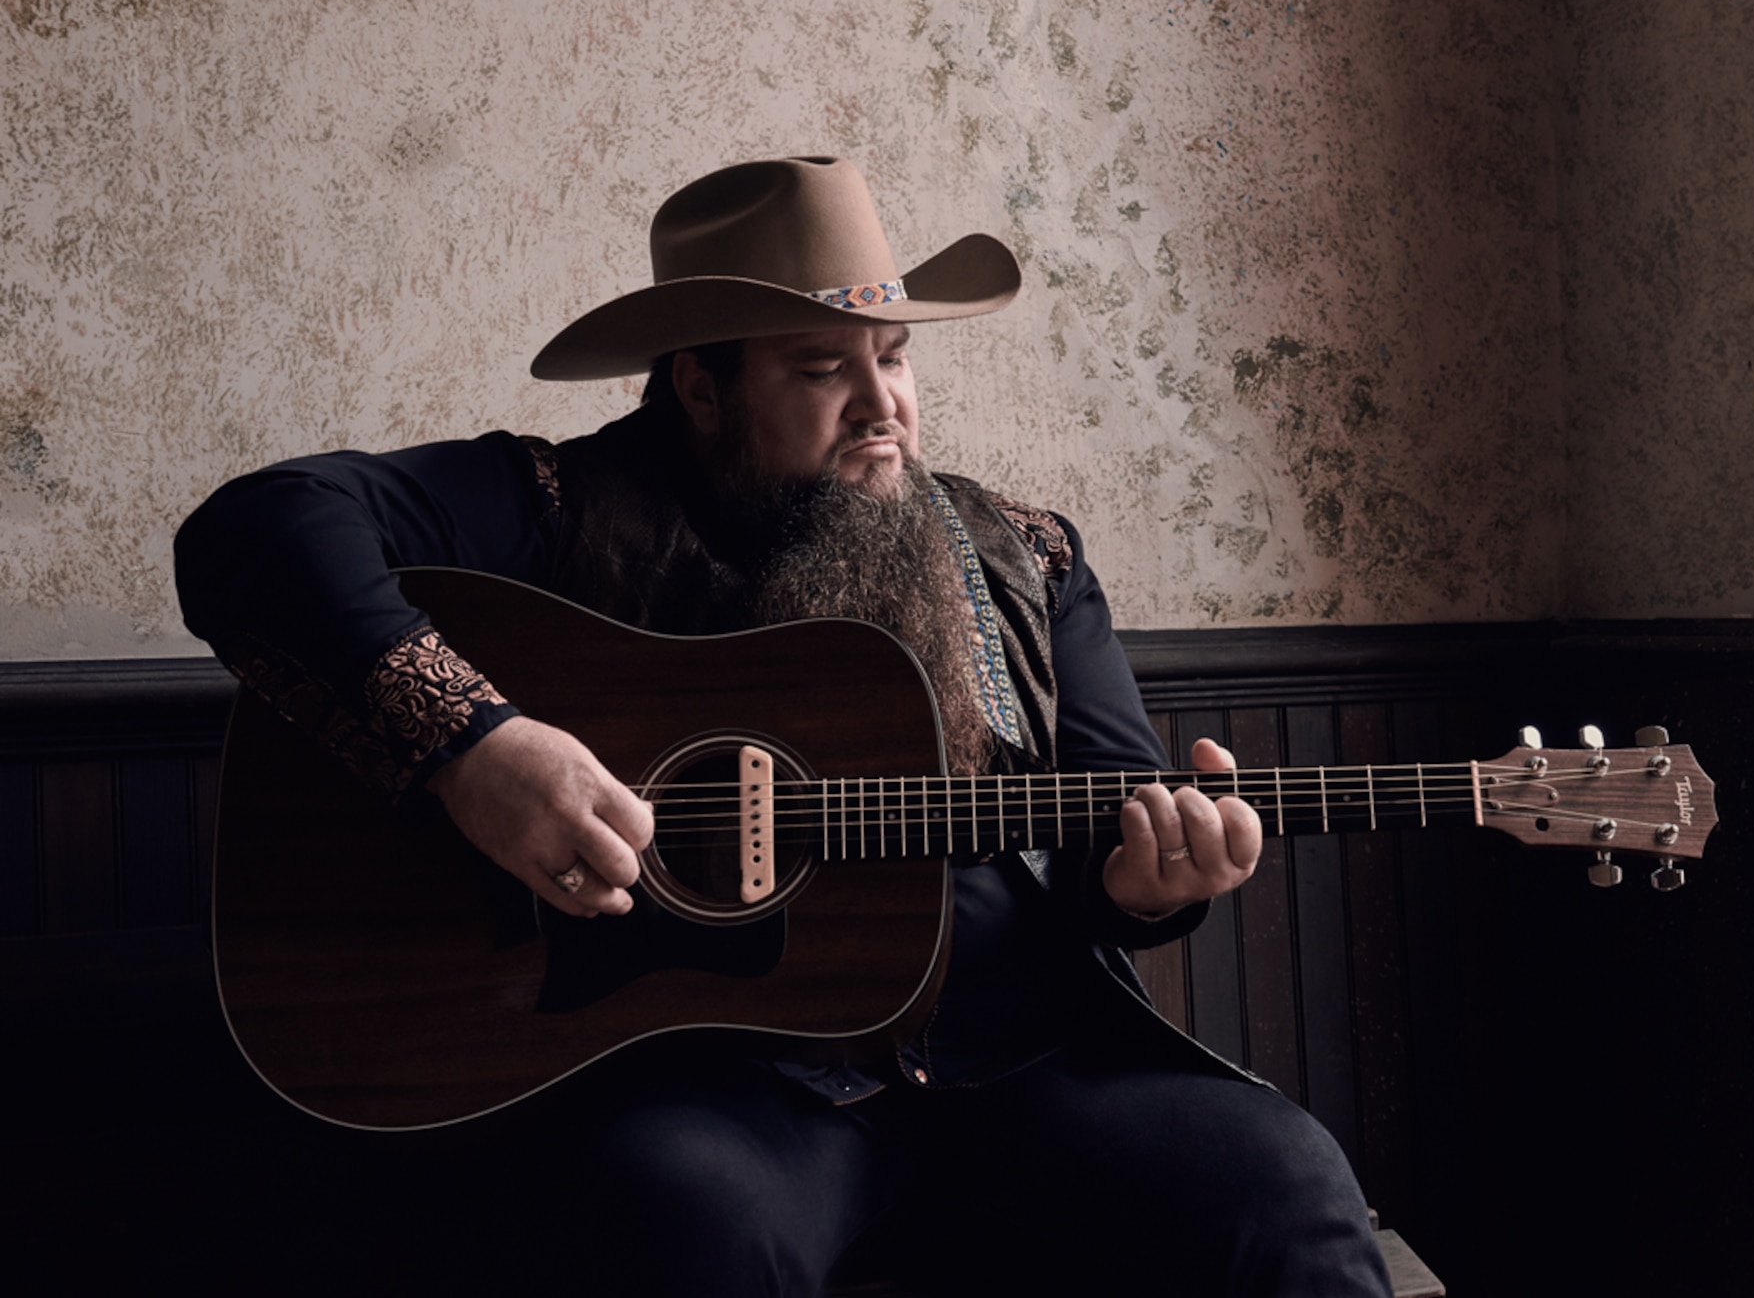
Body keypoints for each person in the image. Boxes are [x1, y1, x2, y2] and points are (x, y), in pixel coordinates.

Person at [175, 156, 1392, 1296]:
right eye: (821, 370)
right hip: (726, 1092)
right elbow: (260, 528)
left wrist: (1147, 885)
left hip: (1014, 1064)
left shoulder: (1022, 555)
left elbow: (1108, 835)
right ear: (700, 385)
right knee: (684, 1217)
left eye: (896, 360)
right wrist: (473, 749)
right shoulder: (559, 508)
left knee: (1279, 1176)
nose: (882, 408)